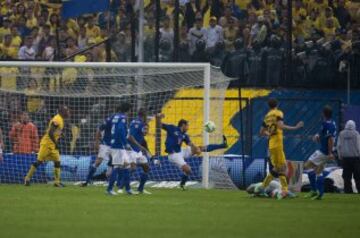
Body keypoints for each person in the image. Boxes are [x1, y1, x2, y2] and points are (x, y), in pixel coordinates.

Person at [156, 113, 228, 190]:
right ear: (183, 125)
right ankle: (182, 184)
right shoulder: (172, 128)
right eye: (187, 125)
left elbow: (190, 143)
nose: (188, 127)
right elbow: (159, 125)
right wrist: (159, 117)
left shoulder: (184, 135)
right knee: (188, 170)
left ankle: (222, 145)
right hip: (174, 155)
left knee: (200, 148)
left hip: (180, 151)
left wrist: (196, 148)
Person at [255, 98, 304, 199]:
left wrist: (269, 134)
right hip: (277, 143)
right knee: (282, 167)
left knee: (277, 168)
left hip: (271, 144)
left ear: (269, 106)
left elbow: (261, 132)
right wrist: (295, 127)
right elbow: (281, 126)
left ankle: (265, 188)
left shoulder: (267, 116)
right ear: (277, 104)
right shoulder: (278, 113)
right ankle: (282, 190)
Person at [24, 105, 71, 187]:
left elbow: (56, 131)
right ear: (62, 112)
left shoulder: (61, 119)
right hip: (47, 144)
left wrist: (61, 134)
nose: (68, 112)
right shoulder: (57, 119)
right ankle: (27, 178)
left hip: (52, 144)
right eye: (67, 111)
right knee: (39, 162)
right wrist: (56, 143)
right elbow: (50, 132)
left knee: (57, 162)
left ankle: (56, 182)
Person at [304, 106, 336, 200]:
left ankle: (314, 190)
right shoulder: (331, 122)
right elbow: (325, 135)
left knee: (307, 166)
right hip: (325, 150)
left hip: (324, 151)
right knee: (319, 171)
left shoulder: (327, 124)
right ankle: (320, 194)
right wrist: (318, 136)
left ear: (323, 113)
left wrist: (330, 153)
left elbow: (330, 139)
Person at [117, 108, 152, 194]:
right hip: (131, 149)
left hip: (137, 150)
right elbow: (130, 137)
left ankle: (140, 189)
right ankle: (121, 188)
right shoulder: (137, 123)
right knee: (132, 168)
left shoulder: (140, 123)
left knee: (146, 167)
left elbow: (140, 135)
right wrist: (141, 146)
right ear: (144, 115)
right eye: (146, 115)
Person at [81, 112, 113, 187]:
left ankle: (110, 180)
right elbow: (99, 131)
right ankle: (87, 181)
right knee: (98, 162)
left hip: (114, 146)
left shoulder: (121, 120)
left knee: (114, 165)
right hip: (105, 144)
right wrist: (96, 142)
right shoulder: (109, 120)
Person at [106, 103, 132, 195]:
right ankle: (109, 189)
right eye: (130, 110)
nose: (130, 112)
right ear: (127, 110)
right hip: (118, 145)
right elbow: (120, 130)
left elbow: (108, 127)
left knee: (127, 166)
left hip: (114, 143)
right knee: (116, 167)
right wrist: (125, 143)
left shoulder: (114, 116)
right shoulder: (123, 118)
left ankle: (128, 189)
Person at [337, 120, 360, 193]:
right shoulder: (356, 134)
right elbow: (359, 146)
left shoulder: (341, 134)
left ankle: (348, 191)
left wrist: (339, 155)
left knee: (346, 176)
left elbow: (338, 146)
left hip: (345, 158)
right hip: (355, 158)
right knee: (358, 175)